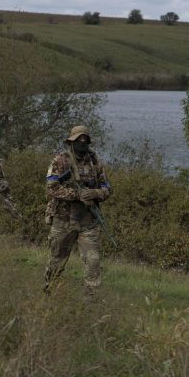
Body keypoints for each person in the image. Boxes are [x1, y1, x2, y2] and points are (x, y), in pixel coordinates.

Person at [42, 126, 111, 296]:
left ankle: (91, 298)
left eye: (85, 140)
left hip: (88, 221)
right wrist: (77, 195)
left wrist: (96, 193)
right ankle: (49, 291)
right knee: (57, 260)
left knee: (93, 260)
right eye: (79, 140)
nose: (82, 143)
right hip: (63, 219)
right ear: (71, 141)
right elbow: (51, 188)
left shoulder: (95, 162)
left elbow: (107, 187)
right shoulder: (60, 161)